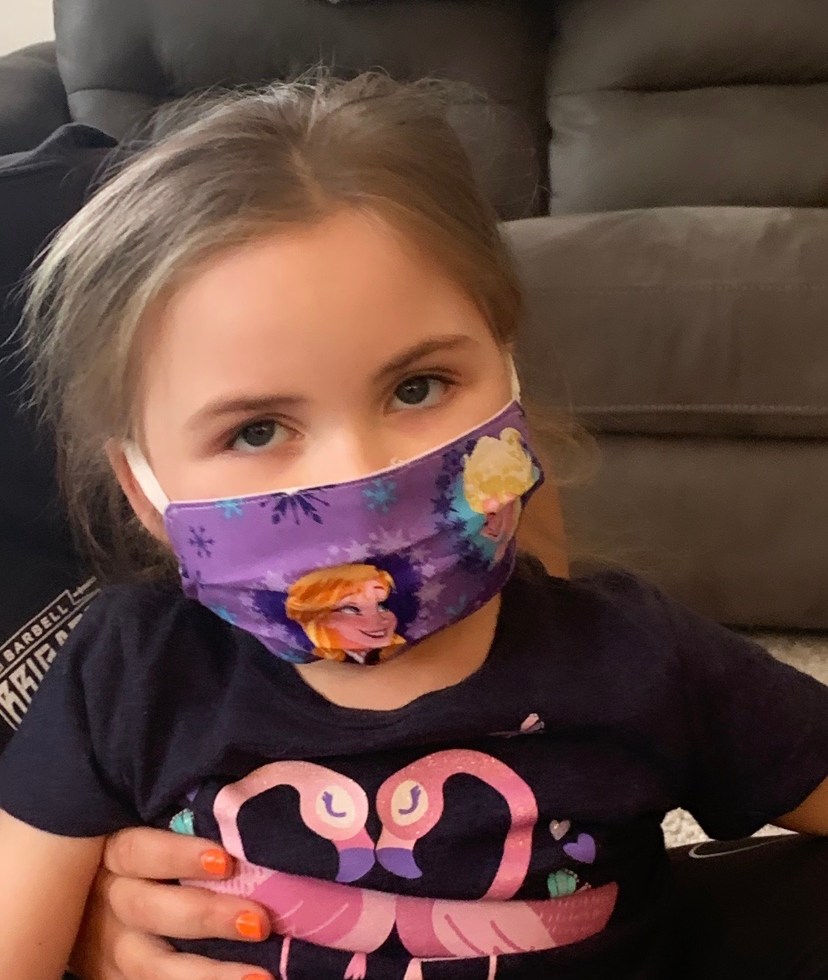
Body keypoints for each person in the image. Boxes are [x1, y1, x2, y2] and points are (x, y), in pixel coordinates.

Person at [0, 70, 825, 980]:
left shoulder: (638, 654)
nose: (358, 475)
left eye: (417, 387)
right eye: (258, 430)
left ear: (508, 378)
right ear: (145, 487)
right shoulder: (130, 675)